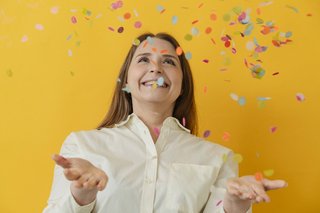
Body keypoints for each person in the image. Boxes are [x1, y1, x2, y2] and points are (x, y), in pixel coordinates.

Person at [43, 32, 287, 213]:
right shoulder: (83, 145)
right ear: (126, 81)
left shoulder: (219, 158)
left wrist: (235, 205)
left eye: (169, 61)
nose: (156, 69)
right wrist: (81, 196)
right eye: (144, 60)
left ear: (182, 85)